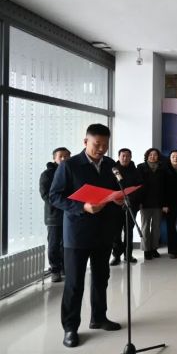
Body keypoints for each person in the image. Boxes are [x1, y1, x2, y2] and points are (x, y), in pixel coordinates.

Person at [49, 124, 122, 348]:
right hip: (77, 234)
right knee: (74, 283)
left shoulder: (110, 165)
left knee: (101, 278)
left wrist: (119, 198)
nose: (101, 149)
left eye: (105, 145)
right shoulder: (70, 165)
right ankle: (70, 328)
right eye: (97, 144)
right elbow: (55, 196)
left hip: (103, 232)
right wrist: (83, 207)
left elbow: (114, 191)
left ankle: (98, 317)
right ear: (85, 142)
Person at [39, 147, 71, 282]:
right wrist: (63, 203)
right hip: (54, 215)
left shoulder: (71, 172)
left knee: (67, 243)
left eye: (66, 156)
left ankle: (65, 268)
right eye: (60, 156)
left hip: (70, 213)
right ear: (54, 158)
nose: (63, 158)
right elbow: (45, 195)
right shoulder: (47, 174)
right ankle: (55, 270)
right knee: (54, 244)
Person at [110, 148, 142, 266]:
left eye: (128, 156)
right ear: (119, 157)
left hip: (131, 205)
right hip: (116, 206)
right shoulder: (113, 170)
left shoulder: (135, 171)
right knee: (116, 232)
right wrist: (117, 199)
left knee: (129, 231)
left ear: (131, 157)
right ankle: (116, 256)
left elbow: (139, 187)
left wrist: (130, 199)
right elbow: (109, 187)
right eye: (123, 156)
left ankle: (128, 255)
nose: (125, 158)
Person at [137, 148, 168, 261]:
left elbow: (165, 187)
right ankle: (146, 250)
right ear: (147, 156)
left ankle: (154, 248)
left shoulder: (162, 168)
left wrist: (165, 204)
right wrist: (139, 201)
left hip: (158, 203)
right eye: (150, 155)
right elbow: (138, 186)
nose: (153, 156)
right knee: (145, 227)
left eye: (155, 155)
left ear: (158, 157)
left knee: (156, 228)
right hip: (144, 202)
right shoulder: (141, 167)